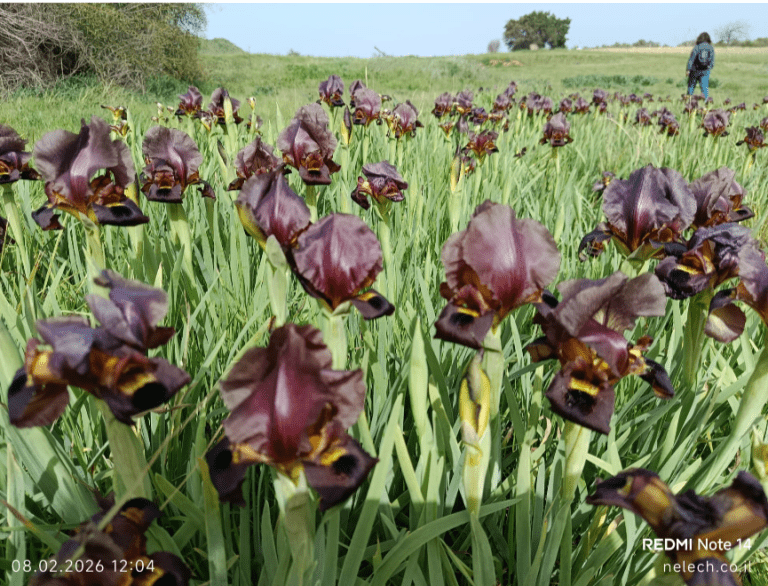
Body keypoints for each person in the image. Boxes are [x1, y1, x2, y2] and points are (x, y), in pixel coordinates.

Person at [686, 32, 715, 100]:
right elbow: (712, 61)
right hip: (705, 70)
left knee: (691, 86)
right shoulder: (710, 48)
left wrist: (688, 69)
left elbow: (691, 59)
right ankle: (705, 102)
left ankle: (688, 101)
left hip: (694, 70)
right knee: (704, 87)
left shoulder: (697, 47)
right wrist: (709, 68)